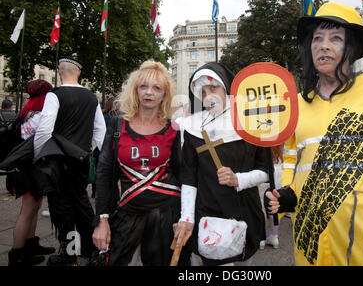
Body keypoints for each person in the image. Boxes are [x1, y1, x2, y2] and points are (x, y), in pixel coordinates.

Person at [265, 2, 363, 266]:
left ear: (351, 48)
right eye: (317, 38)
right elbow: (293, 161)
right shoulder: (297, 104)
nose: (323, 45)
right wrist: (287, 194)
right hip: (313, 243)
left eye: (335, 38)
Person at [92, 60, 190, 266]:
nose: (149, 92)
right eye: (143, 86)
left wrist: (186, 219)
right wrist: (102, 220)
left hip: (165, 214)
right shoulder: (118, 125)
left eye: (157, 88)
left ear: (165, 94)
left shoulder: (174, 129)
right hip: (128, 213)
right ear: (135, 90)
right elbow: (104, 175)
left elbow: (183, 174)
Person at [174, 62, 270, 266]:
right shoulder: (192, 127)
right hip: (209, 211)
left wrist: (238, 179)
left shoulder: (251, 123)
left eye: (213, 87)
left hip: (244, 210)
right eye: (203, 90)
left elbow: (266, 171)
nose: (209, 95)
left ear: (226, 86)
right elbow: (189, 178)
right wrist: (187, 218)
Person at [33, 56, 106, 266]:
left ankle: (68, 253)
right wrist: (87, 151)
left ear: (58, 71)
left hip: (57, 160)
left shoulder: (55, 95)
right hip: (81, 159)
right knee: (81, 202)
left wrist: (40, 154)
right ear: (79, 73)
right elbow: (99, 131)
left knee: (61, 206)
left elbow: (44, 129)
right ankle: (91, 249)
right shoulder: (92, 98)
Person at [6, 80, 56, 266]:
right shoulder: (40, 115)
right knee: (27, 211)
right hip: (29, 168)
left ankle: (31, 243)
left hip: (25, 167)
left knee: (34, 207)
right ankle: (17, 255)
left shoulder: (26, 113)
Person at [259, 145, 282, 250]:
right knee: (273, 205)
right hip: (277, 171)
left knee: (260, 207)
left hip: (263, 173)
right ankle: (274, 236)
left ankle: (261, 238)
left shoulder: (259, 138)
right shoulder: (278, 136)